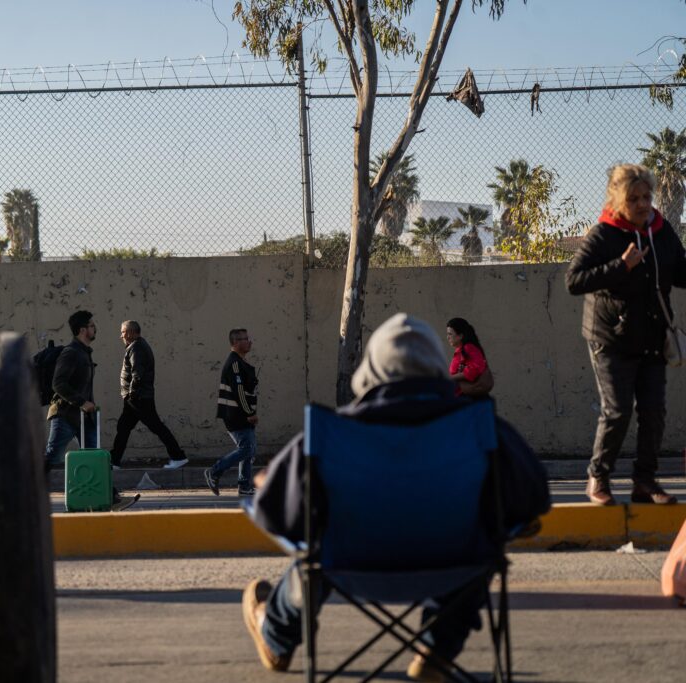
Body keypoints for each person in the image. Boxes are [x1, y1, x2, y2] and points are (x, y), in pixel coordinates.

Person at [241, 313, 550, 680]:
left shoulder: (330, 436)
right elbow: (533, 497)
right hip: (453, 568)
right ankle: (438, 646)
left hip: (350, 569)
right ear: (437, 367)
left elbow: (276, 515)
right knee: (480, 540)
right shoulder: (480, 429)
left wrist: (272, 484)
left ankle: (276, 635)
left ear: (371, 370)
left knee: (318, 542)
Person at [566, 163, 686, 506]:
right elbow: (574, 281)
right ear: (619, 200)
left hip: (652, 339)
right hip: (611, 338)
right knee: (618, 410)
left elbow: (680, 270)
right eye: (634, 198)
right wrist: (621, 266)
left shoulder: (661, 232)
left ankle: (645, 481)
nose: (643, 204)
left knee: (654, 411)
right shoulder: (604, 234)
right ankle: (598, 477)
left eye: (647, 196)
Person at [44, 310, 137, 510]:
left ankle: (112, 499)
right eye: (92, 326)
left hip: (84, 418)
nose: (95, 329)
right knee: (52, 456)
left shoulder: (84, 352)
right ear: (82, 330)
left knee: (98, 458)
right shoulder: (71, 353)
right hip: (66, 415)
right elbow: (58, 384)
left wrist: (87, 407)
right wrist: (81, 402)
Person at [110, 321, 189, 470]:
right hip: (136, 397)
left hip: (138, 398)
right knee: (123, 428)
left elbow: (137, 374)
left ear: (131, 332)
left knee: (156, 426)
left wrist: (132, 394)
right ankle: (114, 461)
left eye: (123, 332)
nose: (121, 336)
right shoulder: (137, 346)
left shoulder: (137, 348)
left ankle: (179, 456)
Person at [204, 328, 259, 497]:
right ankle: (214, 472)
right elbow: (239, 391)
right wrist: (249, 412)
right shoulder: (234, 363)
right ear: (235, 343)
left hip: (241, 414)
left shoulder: (240, 362)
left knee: (249, 449)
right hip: (235, 415)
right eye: (244, 339)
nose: (249, 341)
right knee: (246, 448)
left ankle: (244, 485)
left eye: (248, 338)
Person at [445, 317, 490, 397]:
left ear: (461, 335)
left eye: (450, 334)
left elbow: (476, 368)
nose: (447, 337)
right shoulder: (460, 350)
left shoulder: (468, 348)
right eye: (447, 334)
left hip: (469, 398)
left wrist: (451, 377)